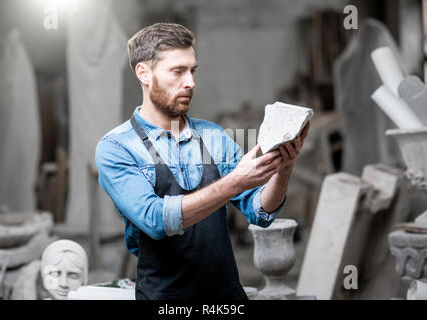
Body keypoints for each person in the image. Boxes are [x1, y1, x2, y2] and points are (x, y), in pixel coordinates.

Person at [95, 22, 310, 300]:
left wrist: (284, 169)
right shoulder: (117, 147)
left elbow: (260, 212)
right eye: (178, 71)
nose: (190, 82)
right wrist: (234, 182)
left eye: (192, 70)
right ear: (143, 73)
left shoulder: (212, 136)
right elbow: (156, 220)